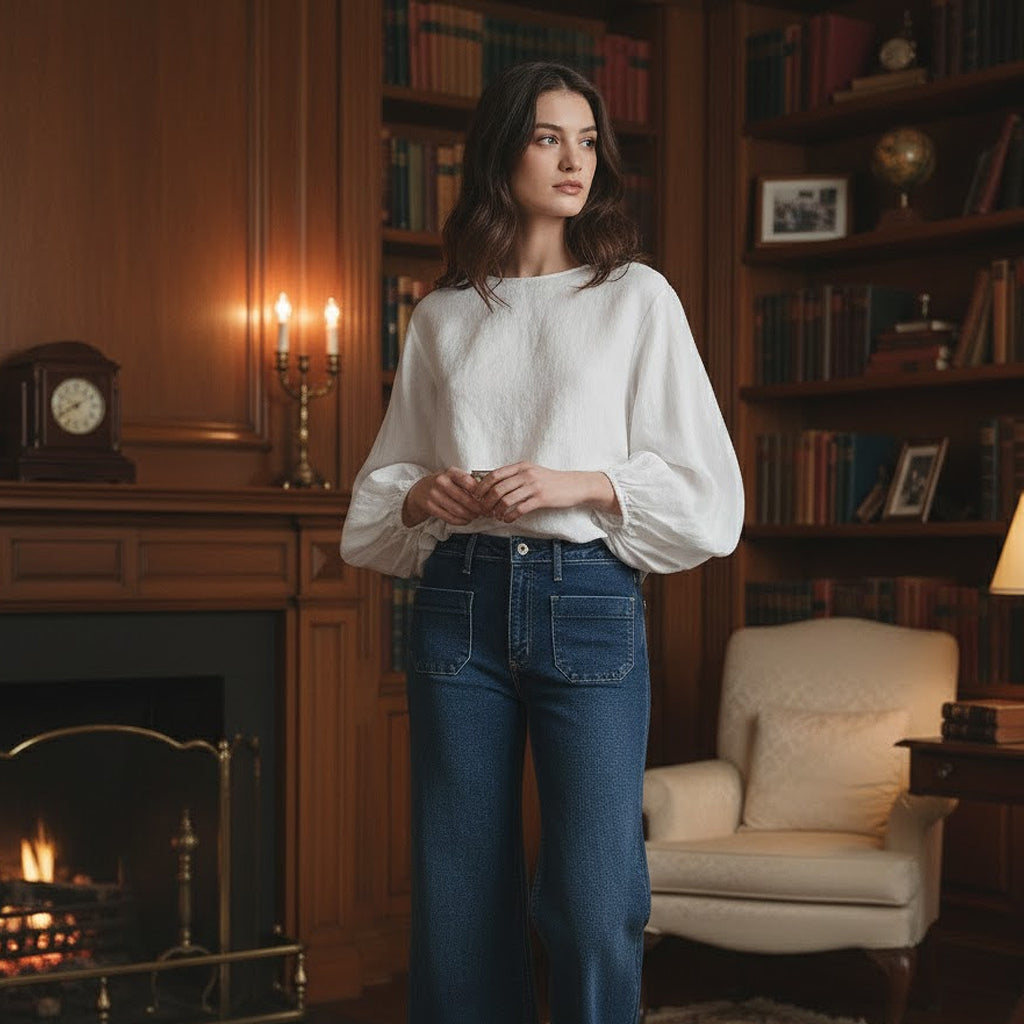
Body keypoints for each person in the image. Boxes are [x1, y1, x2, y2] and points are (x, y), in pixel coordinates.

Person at [341, 60, 743, 1024]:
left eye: (589, 141)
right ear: (501, 153)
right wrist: (425, 494)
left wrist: (583, 481)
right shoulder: (442, 316)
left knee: (597, 895)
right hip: (457, 605)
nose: (574, 161)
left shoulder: (635, 297)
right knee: (458, 895)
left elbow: (712, 501)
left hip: (587, 600)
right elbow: (376, 503)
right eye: (547, 138)